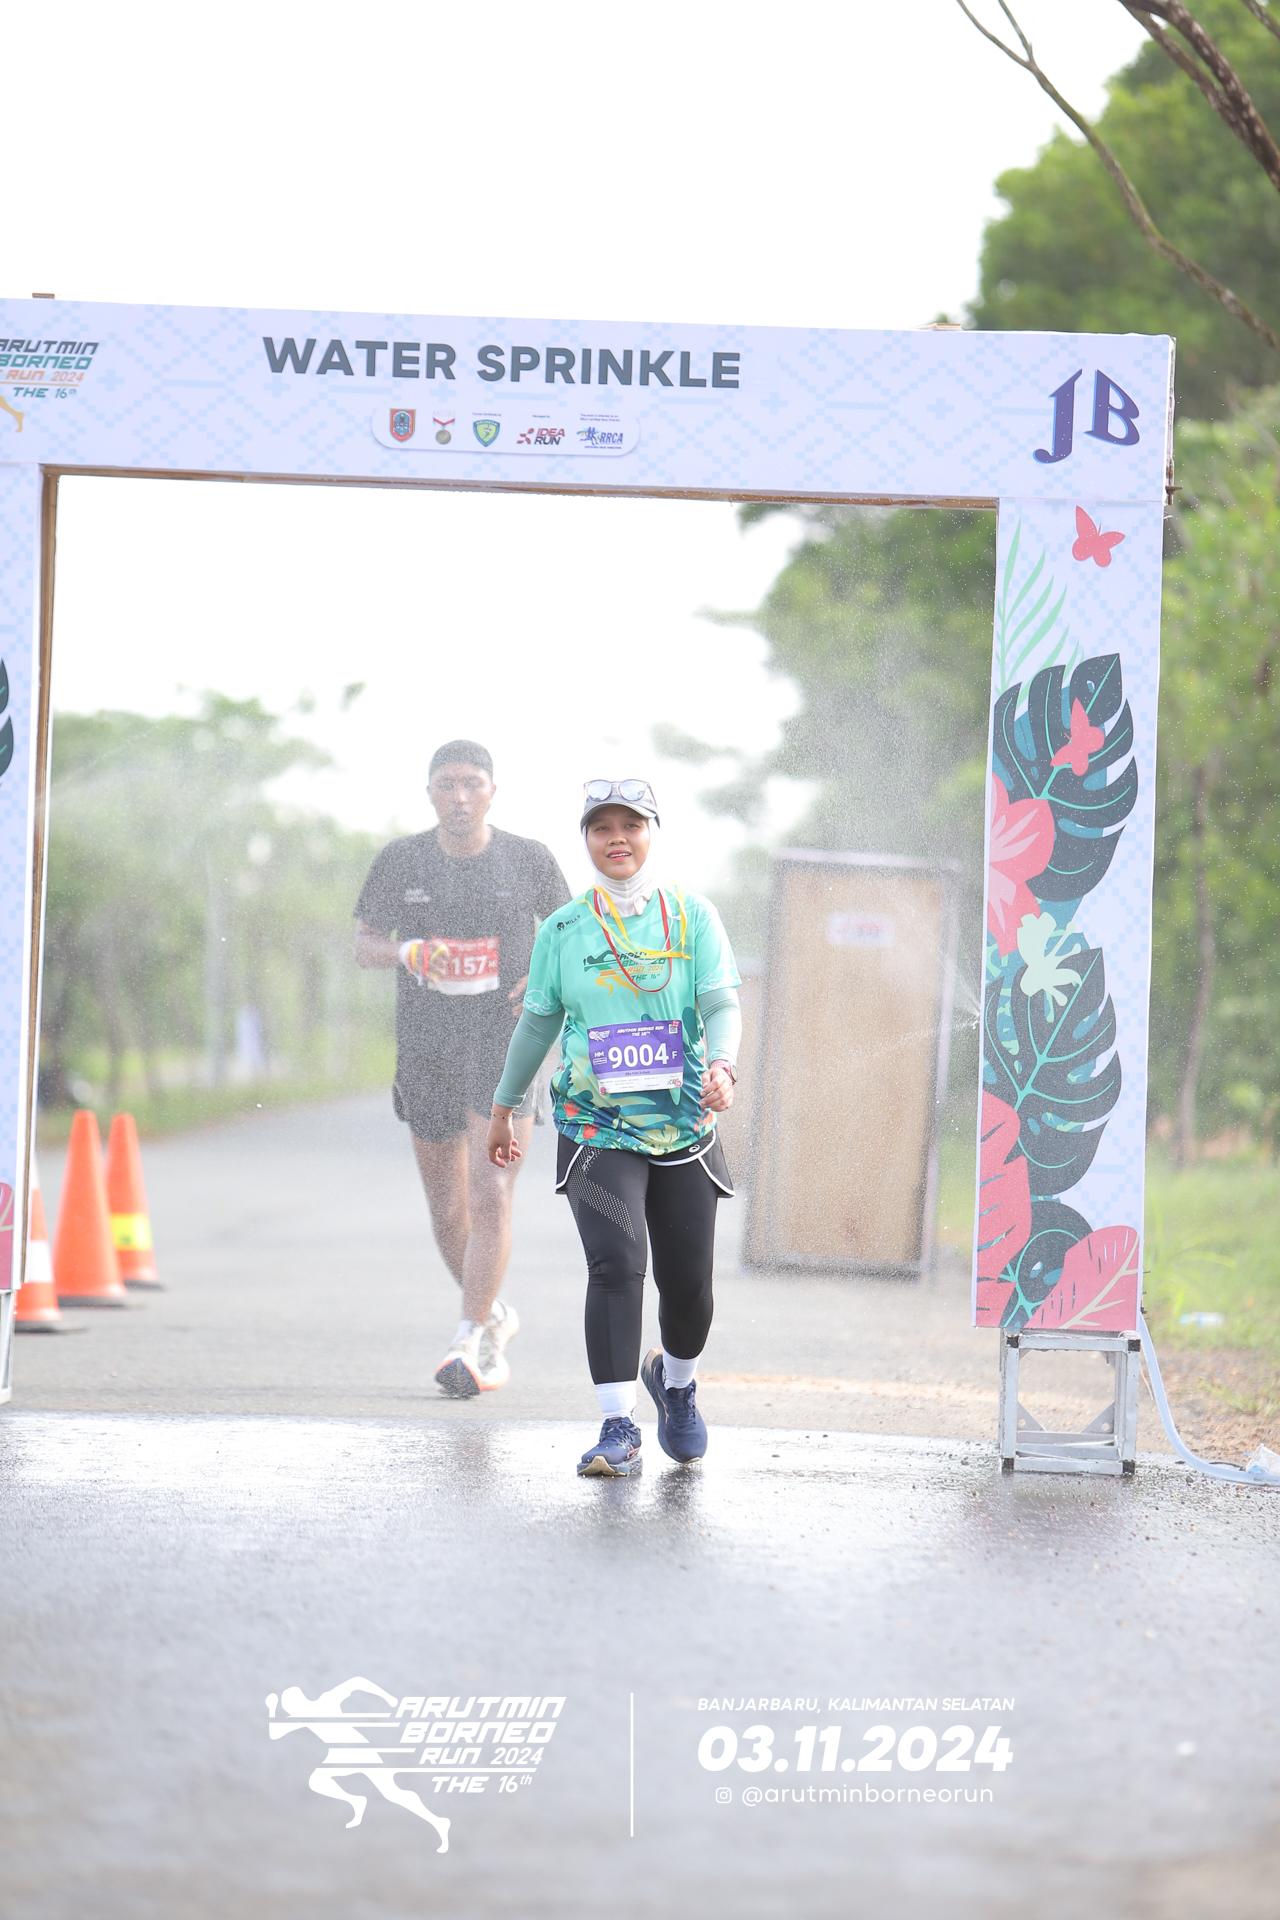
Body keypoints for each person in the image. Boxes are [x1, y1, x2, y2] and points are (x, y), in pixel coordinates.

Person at [487, 778, 741, 1477]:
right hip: (594, 1122)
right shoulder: (562, 930)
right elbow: (538, 1023)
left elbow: (722, 1003)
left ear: (652, 832)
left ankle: (677, 1386)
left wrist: (724, 1064)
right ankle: (617, 1425)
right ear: (587, 840)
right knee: (616, 1265)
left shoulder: (693, 916)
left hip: (684, 1124)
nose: (617, 839)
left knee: (688, 1286)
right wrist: (505, 1106)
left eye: (631, 825)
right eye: (602, 828)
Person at [354, 740, 569, 1397]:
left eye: (472, 783)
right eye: (447, 784)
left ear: (492, 792)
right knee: (448, 1208)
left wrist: (545, 976)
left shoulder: (529, 859)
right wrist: (411, 952)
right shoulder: (400, 861)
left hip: (506, 1044)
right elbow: (364, 945)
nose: (459, 796)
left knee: (490, 1190)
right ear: (429, 792)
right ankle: (493, 1315)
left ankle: (469, 1341)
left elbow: (571, 932)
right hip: (427, 1045)